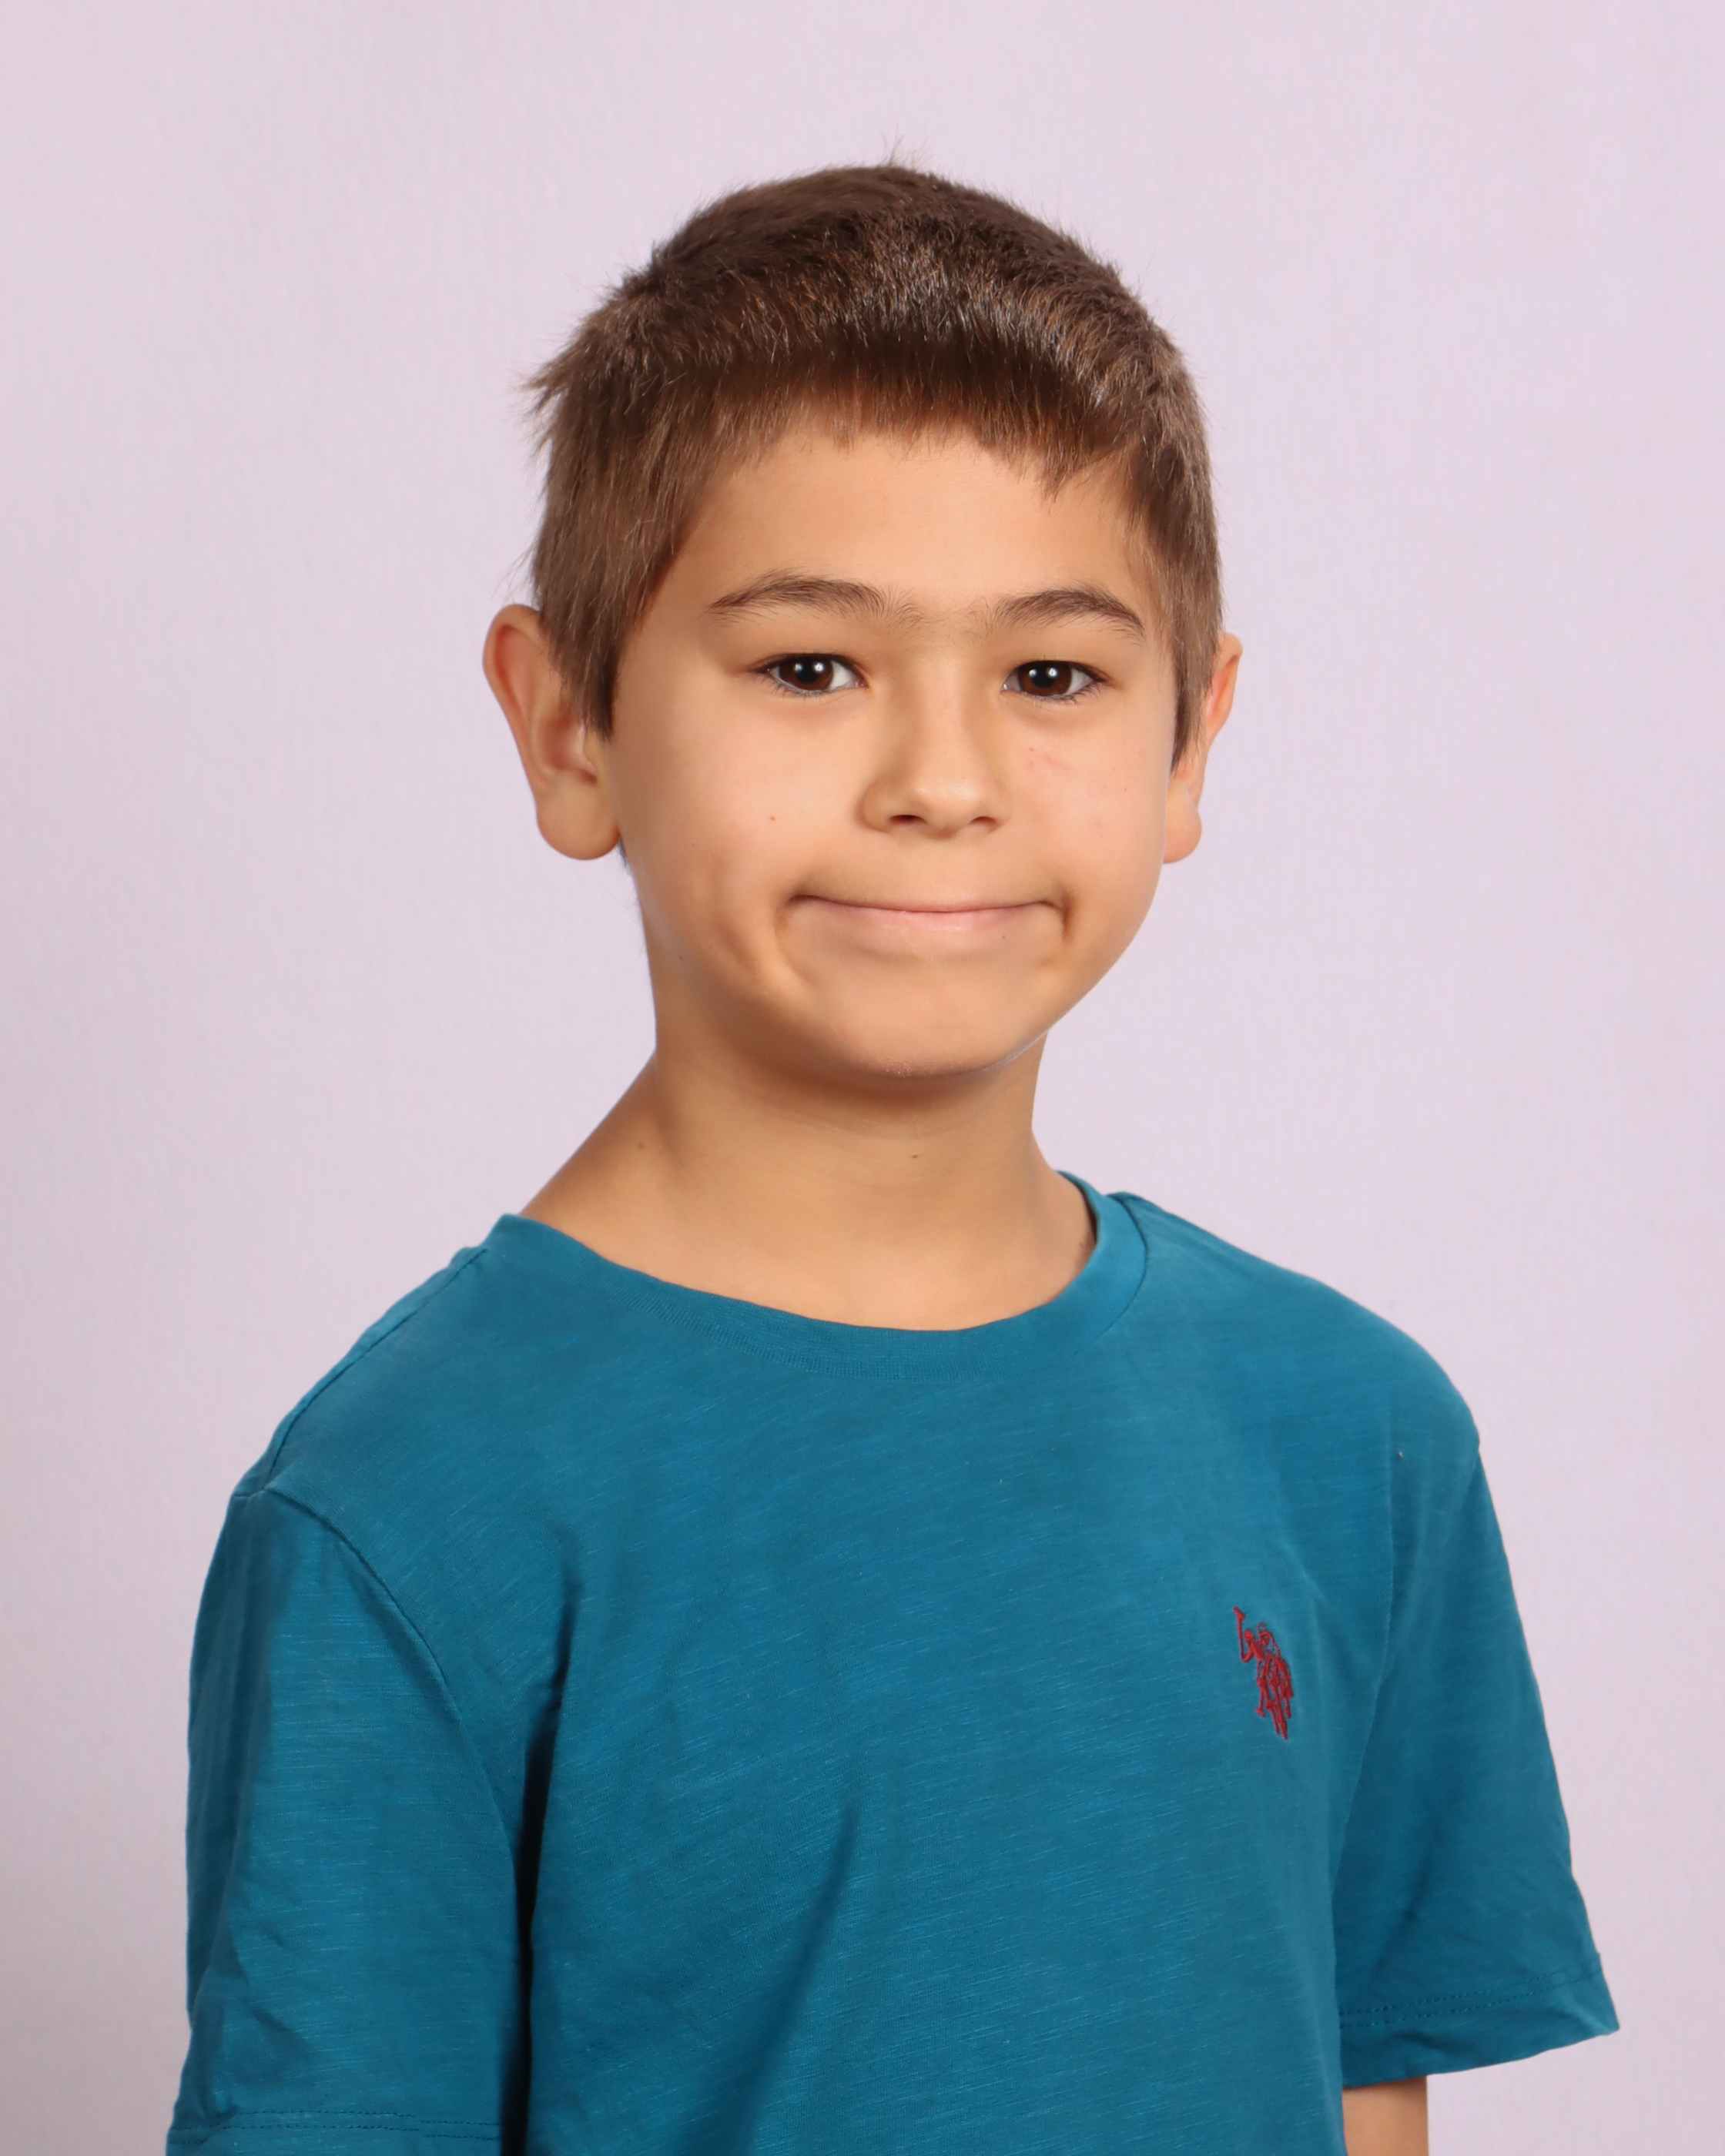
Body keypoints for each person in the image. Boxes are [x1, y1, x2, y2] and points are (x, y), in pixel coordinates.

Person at [166, 166, 1614, 2156]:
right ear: (571, 727)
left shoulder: (1351, 1432)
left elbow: (1359, 2090)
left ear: (1192, 740)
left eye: (1052, 676)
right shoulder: (409, 1507)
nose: (943, 781)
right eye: (811, 667)